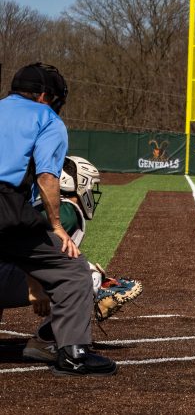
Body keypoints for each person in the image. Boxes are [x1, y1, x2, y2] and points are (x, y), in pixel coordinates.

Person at [0, 63, 117, 376]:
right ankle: (73, 354)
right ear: (43, 96)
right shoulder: (47, 118)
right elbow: (47, 177)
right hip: (6, 206)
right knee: (73, 272)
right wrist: (54, 225)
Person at [0, 155, 143, 363]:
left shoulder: (43, 204)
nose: (92, 194)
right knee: (86, 276)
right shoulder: (66, 211)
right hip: (8, 277)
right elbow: (28, 250)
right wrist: (35, 287)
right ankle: (44, 342)